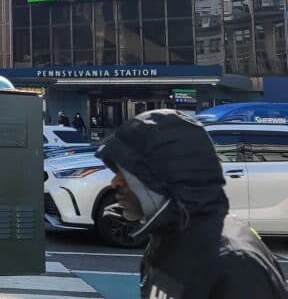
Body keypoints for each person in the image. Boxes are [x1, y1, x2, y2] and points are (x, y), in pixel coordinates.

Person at [97, 110, 288, 299]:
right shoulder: (166, 239)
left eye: (127, 173)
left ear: (166, 176)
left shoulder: (233, 262)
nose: (115, 182)